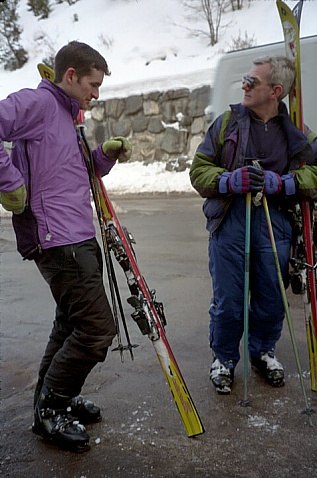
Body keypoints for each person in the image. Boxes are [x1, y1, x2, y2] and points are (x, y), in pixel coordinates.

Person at [0, 41, 132, 451]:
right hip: (55, 238)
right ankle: (52, 408)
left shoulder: (68, 114)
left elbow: (69, 171)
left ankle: (53, 401)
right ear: (70, 75)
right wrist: (9, 184)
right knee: (97, 329)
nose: (97, 94)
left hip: (79, 233)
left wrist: (102, 157)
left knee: (72, 323)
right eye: (93, 85)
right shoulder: (38, 104)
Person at [190, 55, 317, 395]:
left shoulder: (297, 133)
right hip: (231, 219)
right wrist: (229, 180)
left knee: (271, 296)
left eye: (252, 81)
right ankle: (224, 359)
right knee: (229, 299)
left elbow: (316, 173)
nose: (244, 85)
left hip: (275, 222)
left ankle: (262, 350)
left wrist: (285, 183)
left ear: (276, 91)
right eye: (245, 79)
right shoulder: (226, 123)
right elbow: (198, 170)